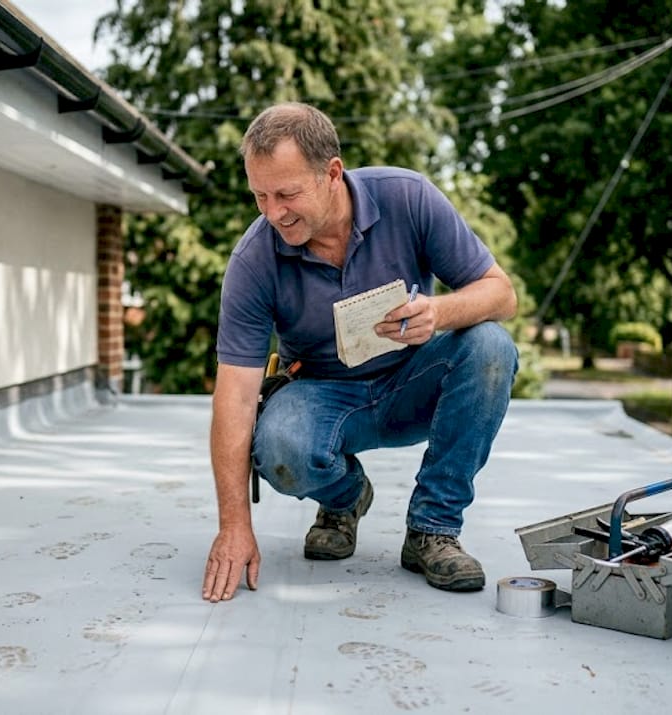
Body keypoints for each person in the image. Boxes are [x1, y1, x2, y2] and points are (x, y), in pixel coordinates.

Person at [201, 102, 519, 603]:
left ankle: (432, 529)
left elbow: (502, 294)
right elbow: (234, 399)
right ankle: (345, 499)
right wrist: (234, 526)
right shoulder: (254, 260)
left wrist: (439, 311)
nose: (272, 212)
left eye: (286, 194)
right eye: (259, 195)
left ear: (332, 173)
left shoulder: (408, 197)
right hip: (321, 396)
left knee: (490, 346)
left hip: (413, 382)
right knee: (279, 444)